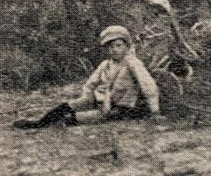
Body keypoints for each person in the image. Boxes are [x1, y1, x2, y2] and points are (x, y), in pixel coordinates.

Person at [13, 25, 161, 129]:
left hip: (122, 108)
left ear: (126, 46)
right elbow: (90, 84)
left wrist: (155, 111)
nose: (114, 50)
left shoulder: (132, 63)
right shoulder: (105, 64)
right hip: (101, 101)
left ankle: (63, 122)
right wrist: (85, 100)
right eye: (110, 47)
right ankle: (38, 123)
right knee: (66, 107)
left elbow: (148, 86)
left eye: (118, 45)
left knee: (70, 120)